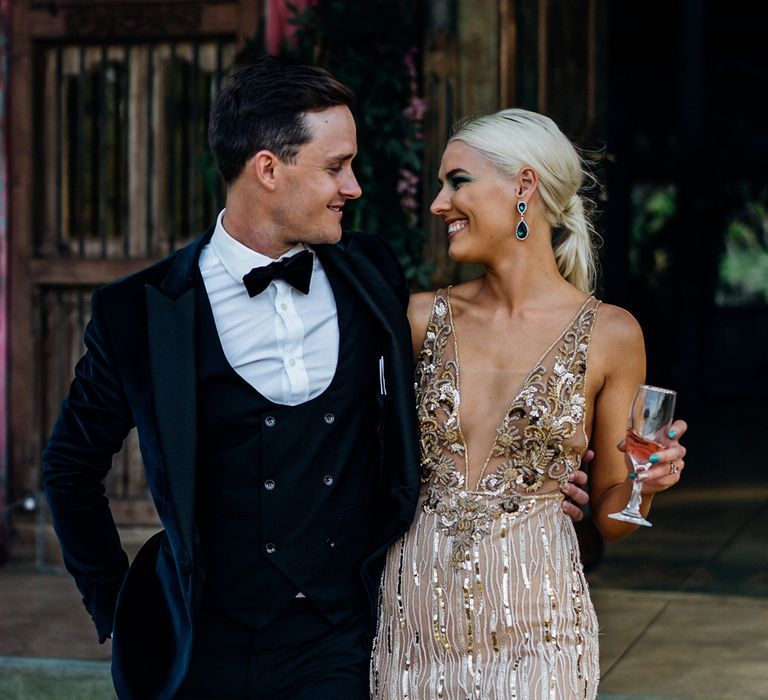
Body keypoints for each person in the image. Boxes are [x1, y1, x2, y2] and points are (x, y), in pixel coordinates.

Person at [370, 109, 687, 699]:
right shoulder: (414, 319)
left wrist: (647, 484)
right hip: (413, 624)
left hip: (541, 631)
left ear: (524, 184)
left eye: (457, 181)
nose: (439, 203)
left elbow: (614, 521)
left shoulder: (612, 335)